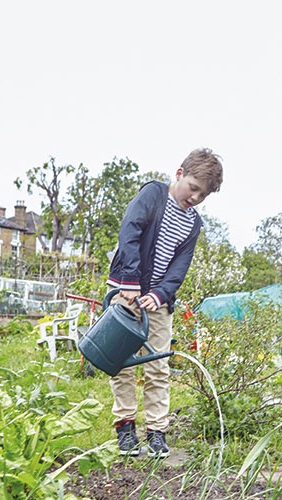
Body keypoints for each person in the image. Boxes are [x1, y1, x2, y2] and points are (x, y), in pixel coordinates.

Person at [107, 148, 223, 458]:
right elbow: (129, 232)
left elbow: (179, 268)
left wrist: (159, 295)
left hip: (158, 304)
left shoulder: (192, 224)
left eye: (204, 195)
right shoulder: (153, 195)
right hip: (126, 293)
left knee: (157, 365)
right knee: (122, 363)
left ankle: (157, 431)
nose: (196, 197)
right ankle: (125, 428)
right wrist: (130, 281)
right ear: (180, 173)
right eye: (193, 188)